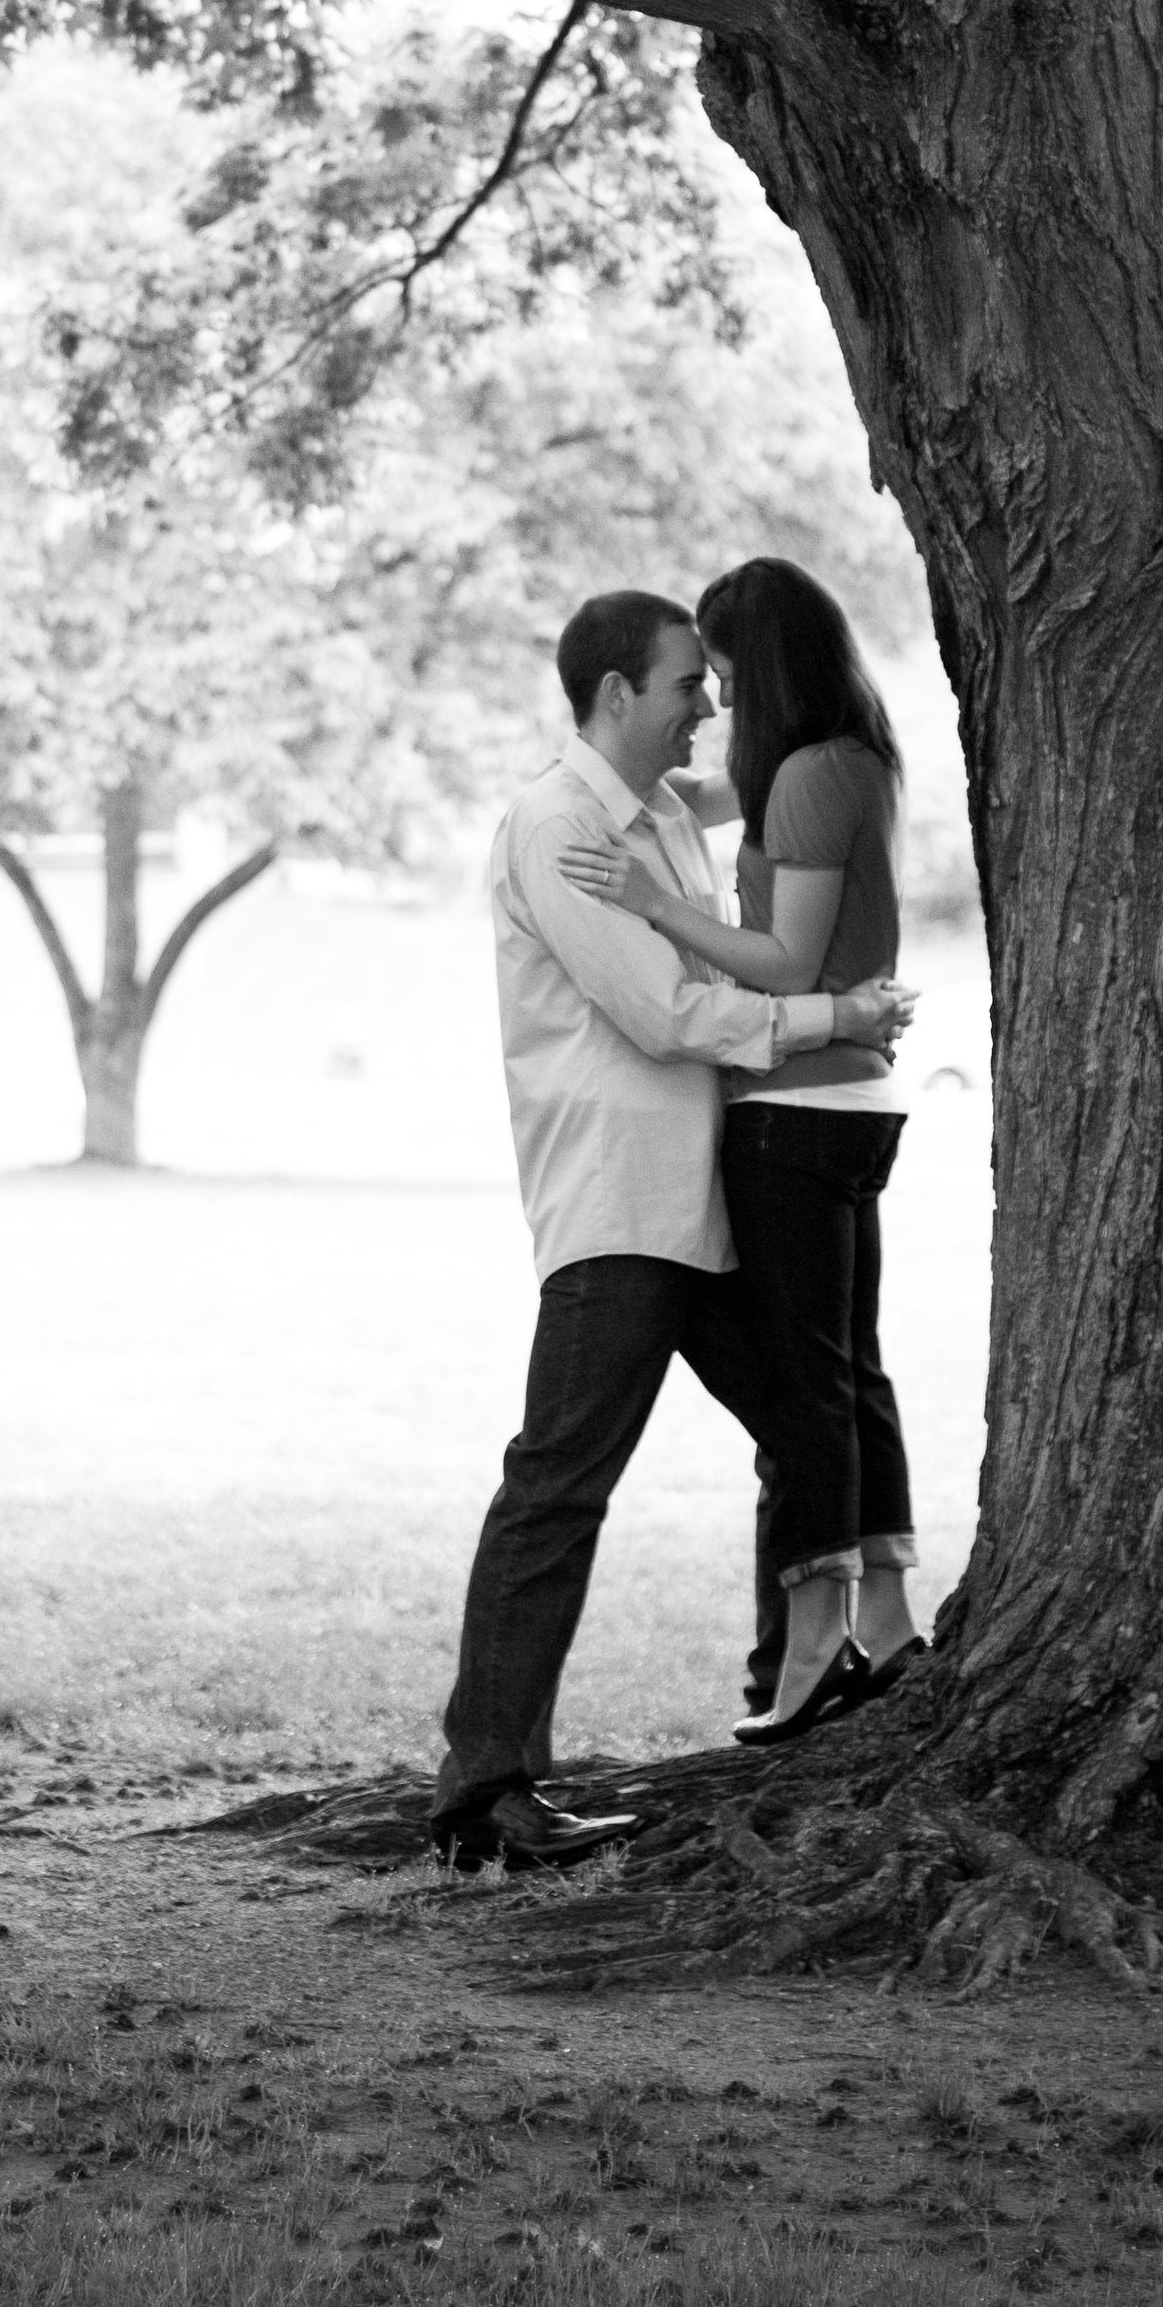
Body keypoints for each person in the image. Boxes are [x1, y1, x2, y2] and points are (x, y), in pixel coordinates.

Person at [433, 588, 913, 1875]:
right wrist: (832, 1016)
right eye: (687, 684)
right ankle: (487, 1788)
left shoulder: (652, 821)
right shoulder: (560, 827)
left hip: (696, 1195)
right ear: (614, 696)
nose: (708, 701)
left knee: (802, 1418)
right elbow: (660, 1013)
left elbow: (715, 944)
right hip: (619, 1203)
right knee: (558, 1485)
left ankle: (805, 1677)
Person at [557, 556, 924, 1745]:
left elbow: (784, 963)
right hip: (844, 1103)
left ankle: (816, 1648)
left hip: (801, 1106)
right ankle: (894, 1617)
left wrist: (652, 903)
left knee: (808, 1381)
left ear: (758, 668)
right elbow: (693, 796)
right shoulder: (829, 763)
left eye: (720, 674)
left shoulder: (814, 778)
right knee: (849, 1371)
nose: (712, 700)